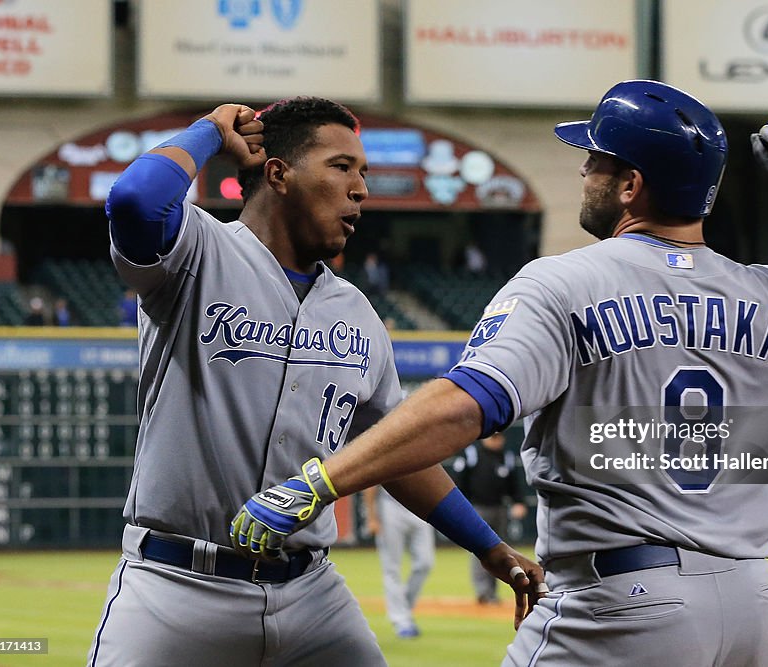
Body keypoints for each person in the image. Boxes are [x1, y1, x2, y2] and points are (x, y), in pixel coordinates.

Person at [230, 80, 768, 667]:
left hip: (622, 604)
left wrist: (322, 479)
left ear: (631, 185)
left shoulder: (564, 282)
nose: (584, 170)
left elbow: (468, 403)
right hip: (754, 606)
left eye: (596, 161)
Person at [88, 98, 543, 667]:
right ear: (277, 173)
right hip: (179, 586)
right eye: (341, 166)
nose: (361, 189)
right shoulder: (198, 252)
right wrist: (210, 132)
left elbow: (397, 452)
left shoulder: (357, 314)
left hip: (309, 593)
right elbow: (134, 199)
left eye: (364, 173)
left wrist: (491, 548)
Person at [452, 432, 528, 604]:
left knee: (499, 551)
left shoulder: (506, 456)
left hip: (500, 508)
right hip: (477, 509)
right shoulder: (472, 454)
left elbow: (514, 483)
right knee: (480, 550)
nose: (496, 441)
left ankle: (492, 592)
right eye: (492, 437)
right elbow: (458, 482)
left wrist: (519, 502)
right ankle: (482, 591)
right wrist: (463, 508)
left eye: (499, 437)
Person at [362, 485, 435, 638]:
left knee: (425, 562)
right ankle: (401, 621)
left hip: (419, 505)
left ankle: (404, 609)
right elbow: (371, 484)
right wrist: (372, 516)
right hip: (390, 506)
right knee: (391, 567)